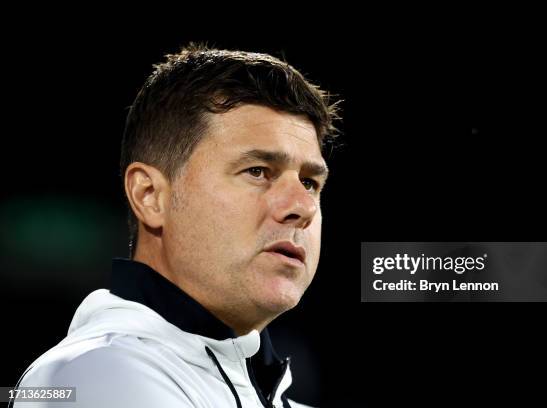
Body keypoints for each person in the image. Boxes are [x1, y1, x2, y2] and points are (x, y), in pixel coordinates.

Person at [12, 44, 340, 408]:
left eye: (310, 182)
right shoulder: (95, 374)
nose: (302, 206)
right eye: (258, 171)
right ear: (150, 195)